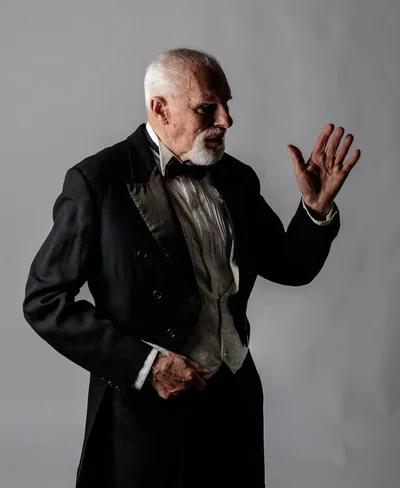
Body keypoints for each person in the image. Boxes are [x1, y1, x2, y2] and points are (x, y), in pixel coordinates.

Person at [23, 48, 361, 488]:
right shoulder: (98, 182)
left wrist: (315, 210)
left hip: (233, 395)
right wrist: (145, 366)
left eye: (227, 104)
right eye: (208, 108)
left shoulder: (236, 178)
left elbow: (290, 265)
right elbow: (44, 300)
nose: (226, 120)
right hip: (149, 406)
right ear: (160, 108)